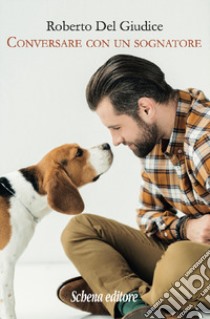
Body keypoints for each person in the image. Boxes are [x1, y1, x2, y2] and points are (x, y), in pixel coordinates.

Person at [57, 54, 210, 319]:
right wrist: (187, 227)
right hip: (184, 258)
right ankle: (137, 304)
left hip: (194, 262)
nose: (115, 140)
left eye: (116, 127)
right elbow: (147, 218)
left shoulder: (204, 142)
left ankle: (121, 296)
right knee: (79, 230)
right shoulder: (154, 145)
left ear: (146, 109)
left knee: (179, 257)